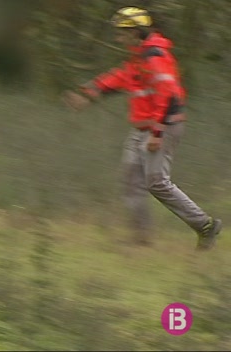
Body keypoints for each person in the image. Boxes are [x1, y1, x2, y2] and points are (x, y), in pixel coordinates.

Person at [62, 6, 221, 250]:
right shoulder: (139, 57)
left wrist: (157, 132)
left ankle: (205, 225)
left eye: (122, 33)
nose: (118, 38)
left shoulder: (154, 57)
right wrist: (89, 92)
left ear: (136, 32)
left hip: (162, 127)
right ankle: (141, 239)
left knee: (157, 182)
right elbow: (120, 77)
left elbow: (168, 96)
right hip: (142, 129)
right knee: (131, 181)